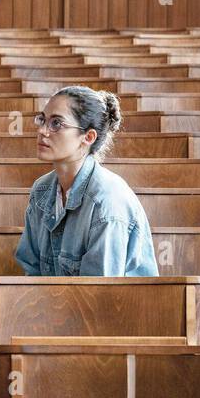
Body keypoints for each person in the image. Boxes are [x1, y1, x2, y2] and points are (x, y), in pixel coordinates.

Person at [14, 86, 159, 277]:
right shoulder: (42, 189)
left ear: (88, 137)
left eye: (56, 123)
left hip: (109, 297)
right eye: (42, 120)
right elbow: (32, 273)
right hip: (58, 297)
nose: (42, 131)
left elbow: (99, 292)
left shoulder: (106, 202)